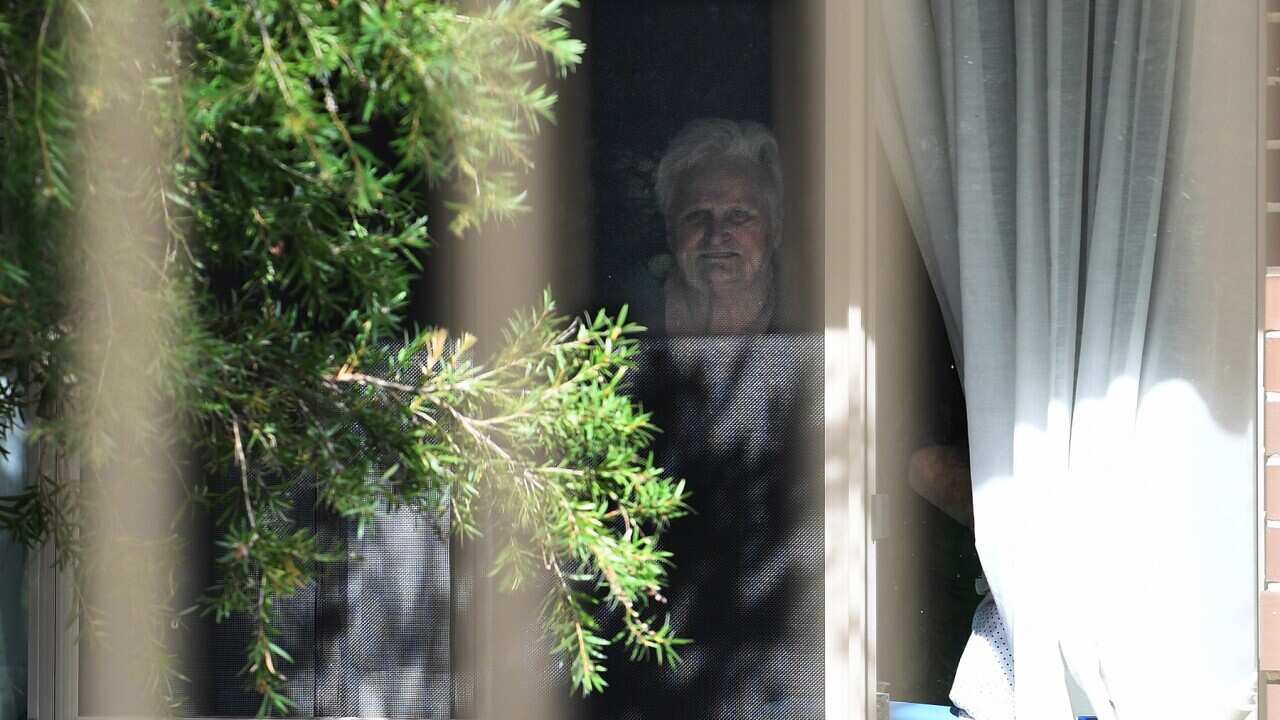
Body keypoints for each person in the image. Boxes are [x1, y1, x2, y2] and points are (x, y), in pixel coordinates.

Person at [637, 118, 785, 335]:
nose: (715, 236)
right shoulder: (622, 315)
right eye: (697, 216)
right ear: (670, 229)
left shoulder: (813, 315)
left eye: (738, 215)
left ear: (775, 229)